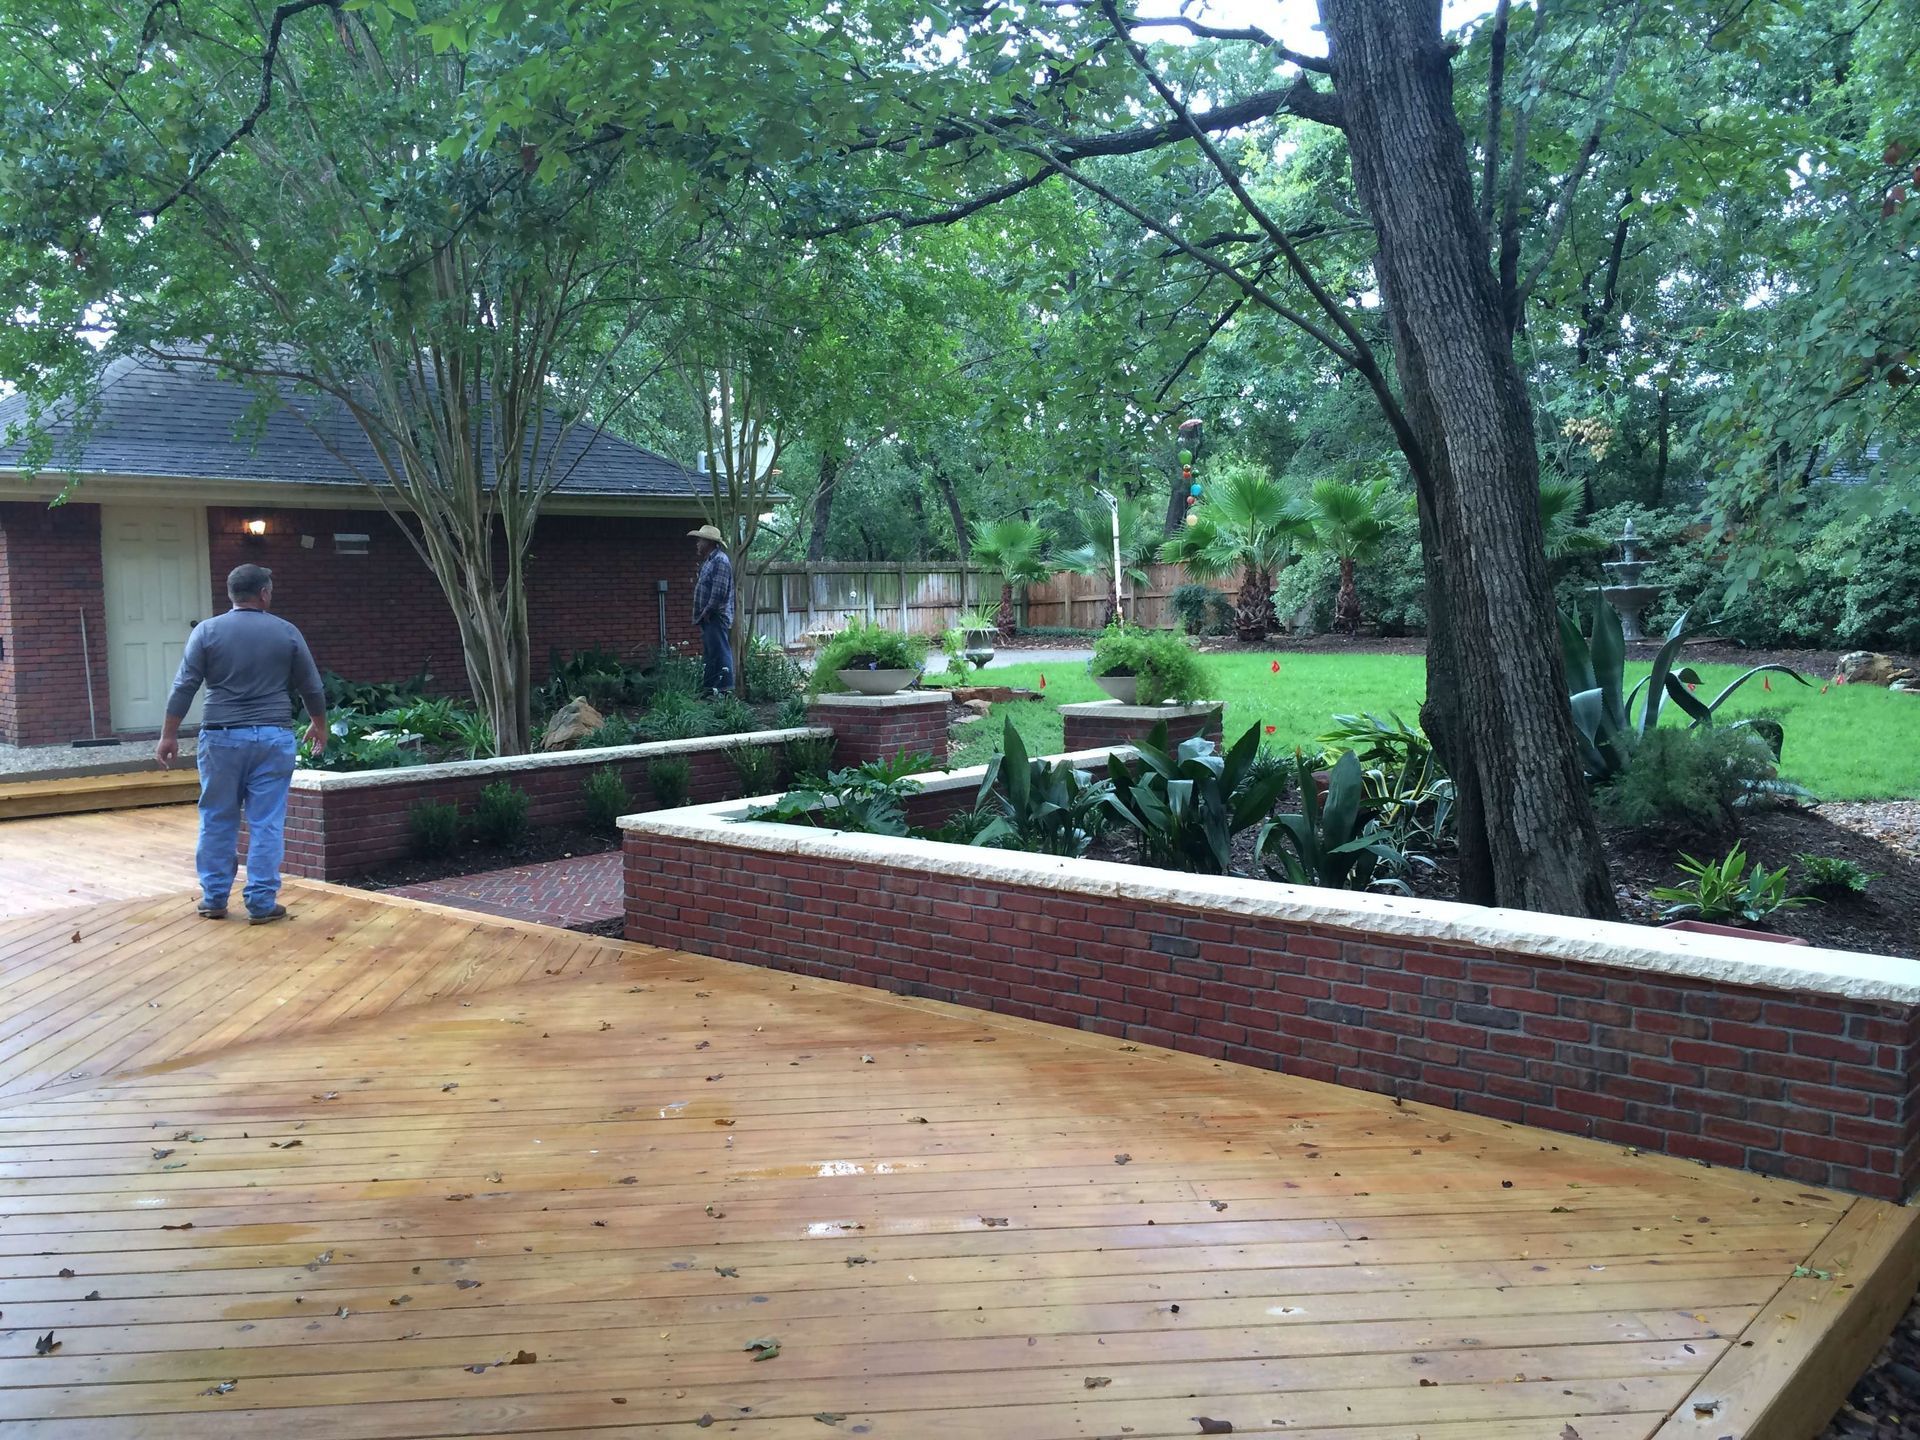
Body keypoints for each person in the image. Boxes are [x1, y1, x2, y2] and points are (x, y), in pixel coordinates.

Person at [156, 563, 328, 925]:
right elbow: (310, 686)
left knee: (217, 817)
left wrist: (169, 734)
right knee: (266, 821)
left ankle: (214, 898)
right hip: (272, 735)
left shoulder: (207, 631)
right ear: (263, 593)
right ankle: (262, 903)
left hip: (221, 736)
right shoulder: (286, 632)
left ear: (232, 594)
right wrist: (318, 725)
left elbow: (184, 685)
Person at [690, 523, 735, 697]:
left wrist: (707, 611)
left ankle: (725, 690)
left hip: (716, 616)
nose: (697, 544)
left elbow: (719, 591)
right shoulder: (710, 561)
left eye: (700, 540)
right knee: (710, 654)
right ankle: (709, 690)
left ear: (708, 542)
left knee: (721, 651)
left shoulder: (720, 561)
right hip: (708, 616)